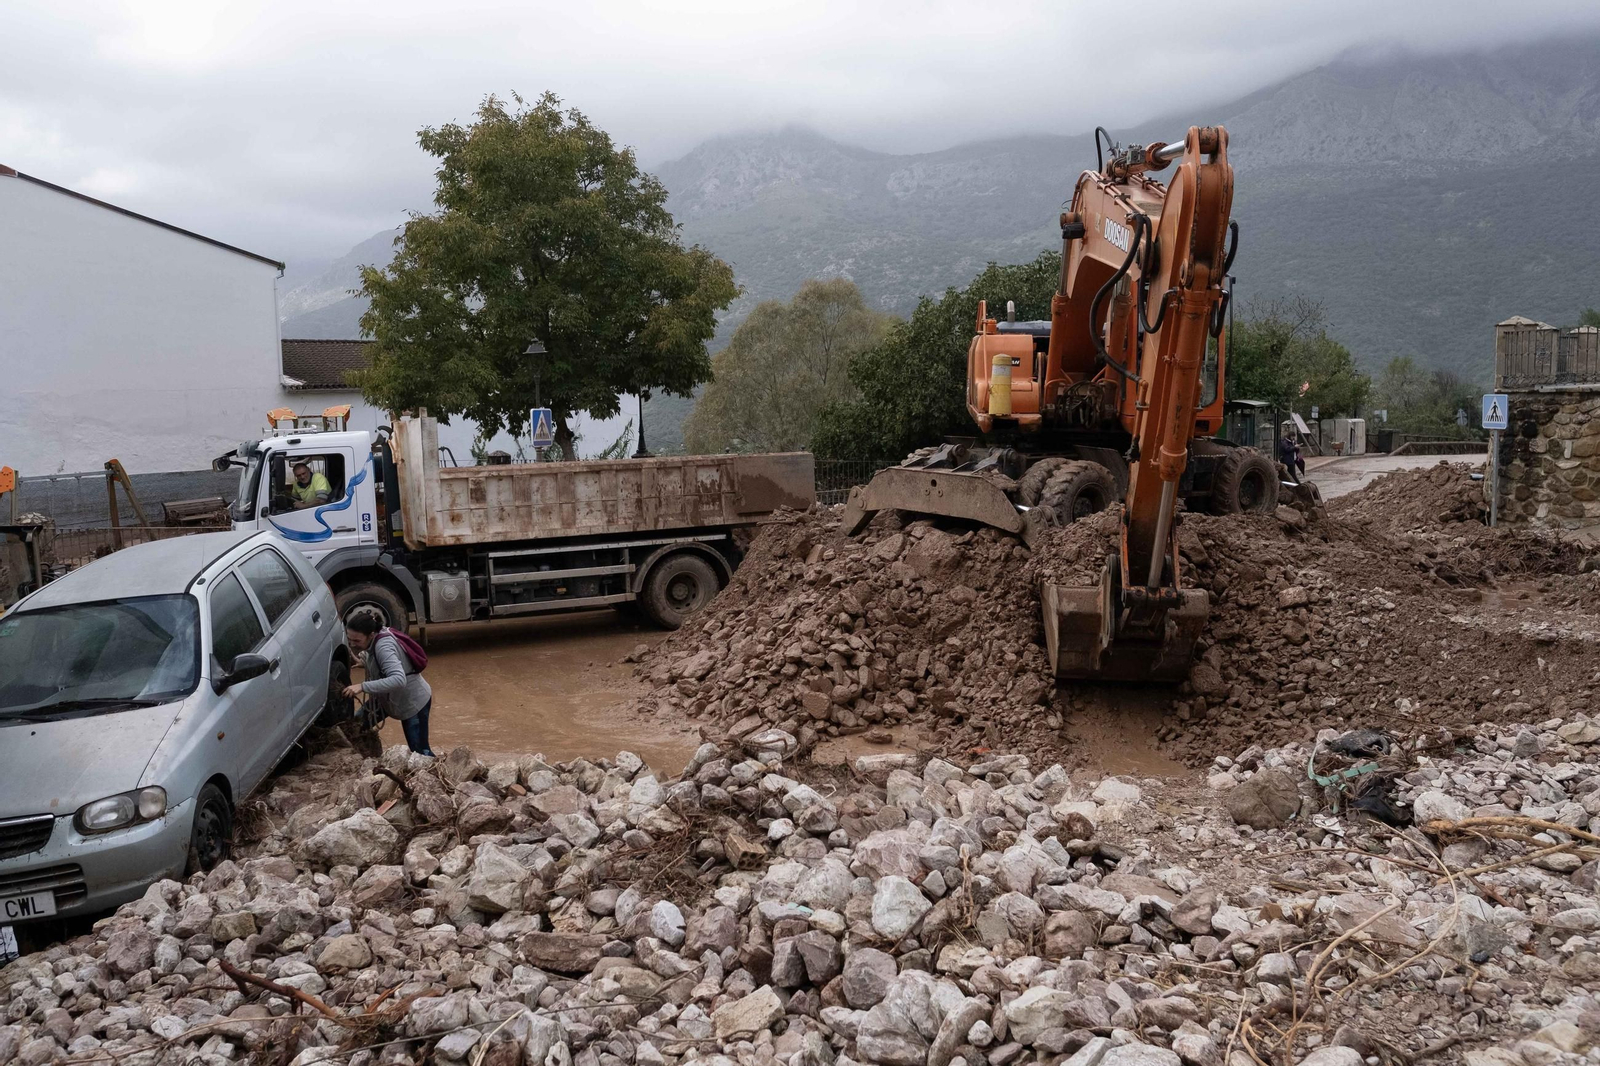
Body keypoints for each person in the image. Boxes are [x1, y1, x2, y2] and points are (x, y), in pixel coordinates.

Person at [342, 613, 434, 756]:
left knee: (420, 752)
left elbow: (398, 679)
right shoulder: (378, 636)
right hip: (387, 698)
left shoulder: (383, 646)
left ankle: (436, 775)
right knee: (355, 725)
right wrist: (364, 662)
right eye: (350, 639)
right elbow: (382, 661)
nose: (353, 644)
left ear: (371, 635)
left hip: (413, 702)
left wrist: (362, 686)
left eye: (357, 640)